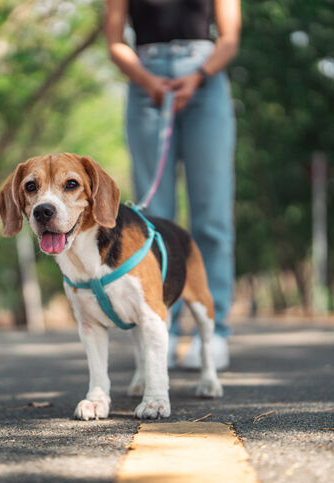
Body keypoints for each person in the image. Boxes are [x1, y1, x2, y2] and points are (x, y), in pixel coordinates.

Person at [105, 0, 240, 369]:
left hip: (205, 80)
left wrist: (198, 76)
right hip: (145, 82)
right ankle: (160, 328)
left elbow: (229, 39)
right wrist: (148, 80)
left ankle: (213, 332)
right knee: (154, 221)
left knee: (212, 217)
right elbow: (116, 41)